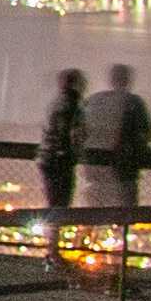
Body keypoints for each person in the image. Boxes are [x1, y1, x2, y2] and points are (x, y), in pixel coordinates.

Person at [92, 63, 151, 251]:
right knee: (126, 210)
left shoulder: (96, 101)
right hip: (124, 166)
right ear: (128, 81)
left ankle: (94, 247)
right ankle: (122, 252)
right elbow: (148, 131)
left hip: (94, 166)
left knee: (95, 210)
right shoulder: (133, 103)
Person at [36, 68, 89, 258]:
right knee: (61, 204)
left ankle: (51, 247)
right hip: (62, 161)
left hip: (47, 159)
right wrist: (77, 153)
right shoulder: (74, 106)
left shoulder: (54, 104)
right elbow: (77, 135)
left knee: (52, 203)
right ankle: (54, 249)